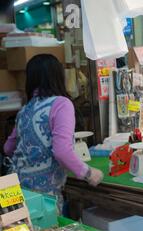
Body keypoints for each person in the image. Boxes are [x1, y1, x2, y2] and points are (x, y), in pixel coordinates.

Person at [3, 54, 103, 208]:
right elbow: (62, 151)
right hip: (42, 197)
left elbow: (8, 148)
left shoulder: (25, 110)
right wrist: (89, 173)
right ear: (58, 76)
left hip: (13, 193)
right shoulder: (61, 104)